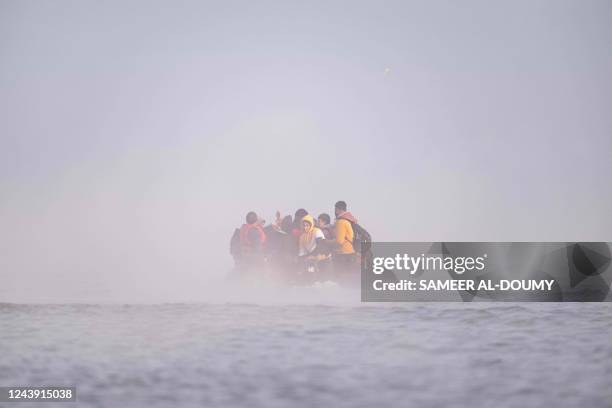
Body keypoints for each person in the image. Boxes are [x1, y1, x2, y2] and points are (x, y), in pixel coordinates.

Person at [333, 201, 358, 276]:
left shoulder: (341, 221)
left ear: (337, 209)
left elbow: (339, 241)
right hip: (352, 252)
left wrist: (327, 242)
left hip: (343, 254)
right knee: (350, 277)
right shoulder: (350, 219)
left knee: (342, 278)